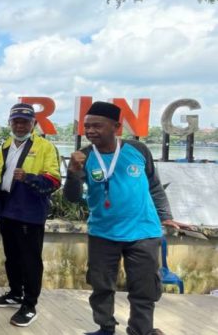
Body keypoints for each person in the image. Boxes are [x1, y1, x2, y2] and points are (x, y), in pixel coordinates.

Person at [63, 101, 186, 335]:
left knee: (144, 288)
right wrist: (73, 173)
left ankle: (141, 330)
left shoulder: (138, 151)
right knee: (101, 287)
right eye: (87, 126)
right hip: (103, 233)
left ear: (116, 127)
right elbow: (72, 198)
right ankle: (105, 328)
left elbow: (155, 187)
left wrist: (166, 216)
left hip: (144, 233)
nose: (89, 131)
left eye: (96, 126)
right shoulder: (84, 156)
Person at [0, 103, 61, 327]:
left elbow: (55, 181)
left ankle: (30, 305)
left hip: (30, 214)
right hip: (7, 211)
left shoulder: (46, 147)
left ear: (34, 124)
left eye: (25, 121)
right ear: (10, 123)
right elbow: (0, 178)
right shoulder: (5, 145)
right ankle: (15, 293)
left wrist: (29, 177)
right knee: (12, 256)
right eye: (16, 121)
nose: (20, 125)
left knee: (30, 260)